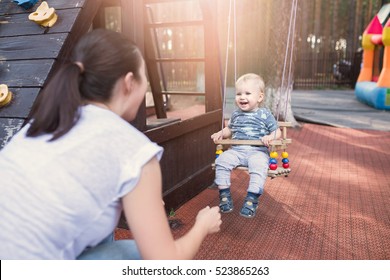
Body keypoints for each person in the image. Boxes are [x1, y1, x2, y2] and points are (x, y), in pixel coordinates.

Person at [0, 29, 221, 260]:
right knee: (136, 254)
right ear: (128, 83)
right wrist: (202, 226)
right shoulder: (133, 148)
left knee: (107, 225)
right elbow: (165, 262)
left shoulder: (44, 123)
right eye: (144, 78)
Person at [211, 73, 281, 218]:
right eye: (238, 94)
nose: (242, 97)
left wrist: (269, 136)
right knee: (221, 161)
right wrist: (221, 133)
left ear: (260, 97)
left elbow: (277, 132)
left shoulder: (264, 114)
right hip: (236, 151)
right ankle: (224, 195)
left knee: (258, 166)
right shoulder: (236, 115)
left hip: (257, 152)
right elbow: (230, 130)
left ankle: (252, 198)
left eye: (247, 93)